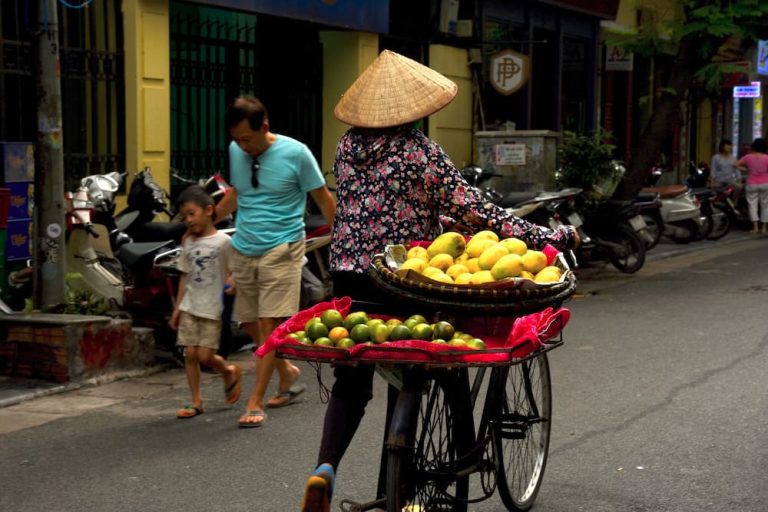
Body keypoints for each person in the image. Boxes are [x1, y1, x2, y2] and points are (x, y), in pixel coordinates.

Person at [300, 50, 580, 512]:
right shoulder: (419, 151)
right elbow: (478, 210)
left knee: (354, 378)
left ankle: (324, 468)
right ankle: (413, 485)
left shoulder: (347, 146)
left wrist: (440, 218)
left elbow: (390, 205)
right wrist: (544, 235)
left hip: (349, 275)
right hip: (406, 277)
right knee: (433, 357)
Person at [214, 96, 336, 428]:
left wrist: (343, 243)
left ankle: (255, 401)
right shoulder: (236, 150)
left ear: (264, 128)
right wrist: (207, 220)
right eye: (237, 139)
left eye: (248, 139)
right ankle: (289, 373)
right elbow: (238, 192)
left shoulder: (297, 154)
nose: (242, 146)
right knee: (250, 324)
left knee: (269, 325)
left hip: (282, 246)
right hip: (244, 245)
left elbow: (322, 197)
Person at [170, 185, 242, 419]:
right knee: (189, 354)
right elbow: (184, 275)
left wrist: (232, 282)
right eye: (184, 217)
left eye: (192, 214)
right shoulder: (188, 242)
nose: (188, 220)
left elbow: (234, 270)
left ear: (209, 210)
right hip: (191, 305)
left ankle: (228, 370)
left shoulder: (223, 242)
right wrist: (177, 308)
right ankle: (196, 401)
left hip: (212, 307)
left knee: (204, 356)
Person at [735, 137, 768, 234]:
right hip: (765, 183)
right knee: (765, 205)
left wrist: (745, 169)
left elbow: (735, 164)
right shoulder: (767, 157)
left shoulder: (748, 157)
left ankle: (755, 227)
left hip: (751, 183)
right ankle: (764, 228)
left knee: (752, 205)